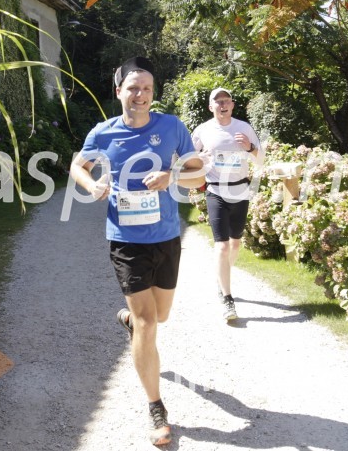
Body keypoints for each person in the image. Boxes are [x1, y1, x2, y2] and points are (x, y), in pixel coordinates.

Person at [69, 57, 204, 446]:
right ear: (119, 92)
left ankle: (130, 320)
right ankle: (156, 407)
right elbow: (77, 165)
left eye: (146, 87)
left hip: (165, 237)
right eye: (132, 87)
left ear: (152, 92)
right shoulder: (104, 132)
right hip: (126, 241)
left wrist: (172, 175)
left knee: (159, 316)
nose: (140, 94)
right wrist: (92, 184)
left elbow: (198, 174)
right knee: (149, 325)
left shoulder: (172, 126)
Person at [191, 87, 261, 322]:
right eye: (218, 101)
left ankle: (222, 278)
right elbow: (188, 158)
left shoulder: (243, 128)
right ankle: (227, 298)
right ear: (210, 107)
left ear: (232, 105)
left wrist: (250, 148)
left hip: (241, 192)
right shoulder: (203, 130)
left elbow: (261, 159)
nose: (223, 104)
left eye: (227, 100)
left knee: (235, 246)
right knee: (221, 246)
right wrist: (198, 159)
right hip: (215, 191)